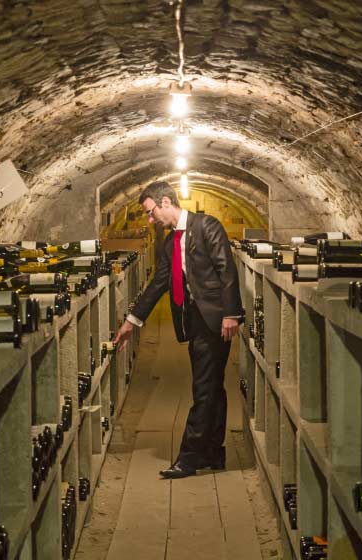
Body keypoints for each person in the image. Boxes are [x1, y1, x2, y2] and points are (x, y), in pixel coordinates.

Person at [112, 180, 243, 478]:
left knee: (203, 388)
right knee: (212, 386)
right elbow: (159, 282)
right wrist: (132, 321)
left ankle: (189, 458)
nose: (150, 219)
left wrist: (231, 314)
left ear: (166, 203)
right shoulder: (171, 241)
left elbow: (227, 269)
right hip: (193, 319)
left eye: (150, 212)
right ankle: (213, 451)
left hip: (215, 319)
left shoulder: (207, 226)